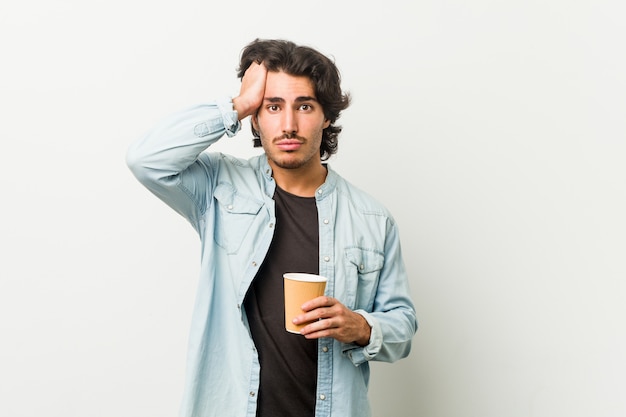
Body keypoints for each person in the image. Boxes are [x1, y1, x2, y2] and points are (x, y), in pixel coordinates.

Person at [126, 38, 418, 417]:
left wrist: (360, 326)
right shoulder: (218, 187)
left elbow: (402, 324)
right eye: (273, 107)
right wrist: (239, 104)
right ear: (256, 117)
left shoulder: (372, 219)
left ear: (327, 116)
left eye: (305, 106)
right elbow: (145, 160)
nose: (289, 125)